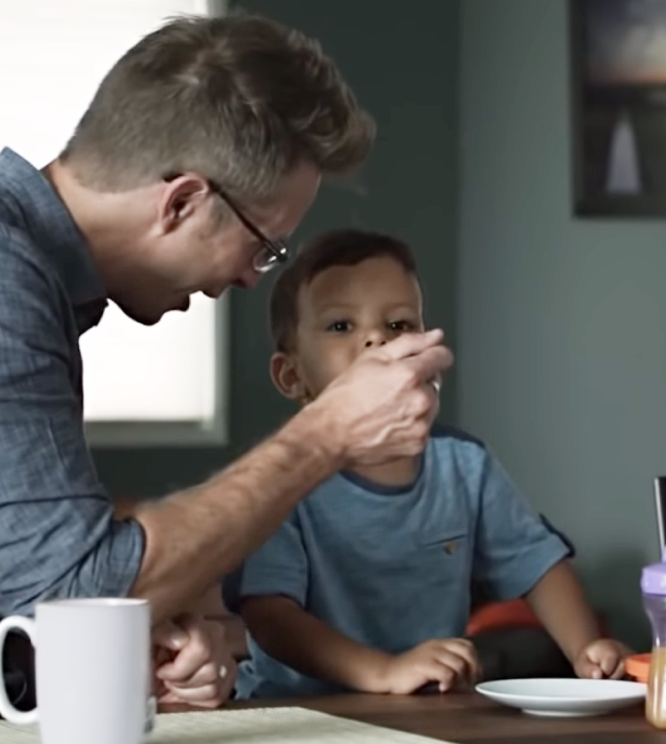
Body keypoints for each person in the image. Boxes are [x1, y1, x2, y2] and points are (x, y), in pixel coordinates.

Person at [0, 12, 454, 722]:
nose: (250, 281)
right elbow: (73, 589)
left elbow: (26, 547)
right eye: (264, 248)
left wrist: (163, 626)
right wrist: (328, 434)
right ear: (182, 202)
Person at [224, 229, 632, 698]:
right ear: (292, 375)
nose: (376, 339)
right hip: (298, 717)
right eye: (341, 326)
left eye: (398, 325)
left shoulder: (463, 465)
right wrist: (383, 672)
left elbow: (537, 564)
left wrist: (588, 650)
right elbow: (270, 615)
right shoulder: (283, 477)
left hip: (423, 711)